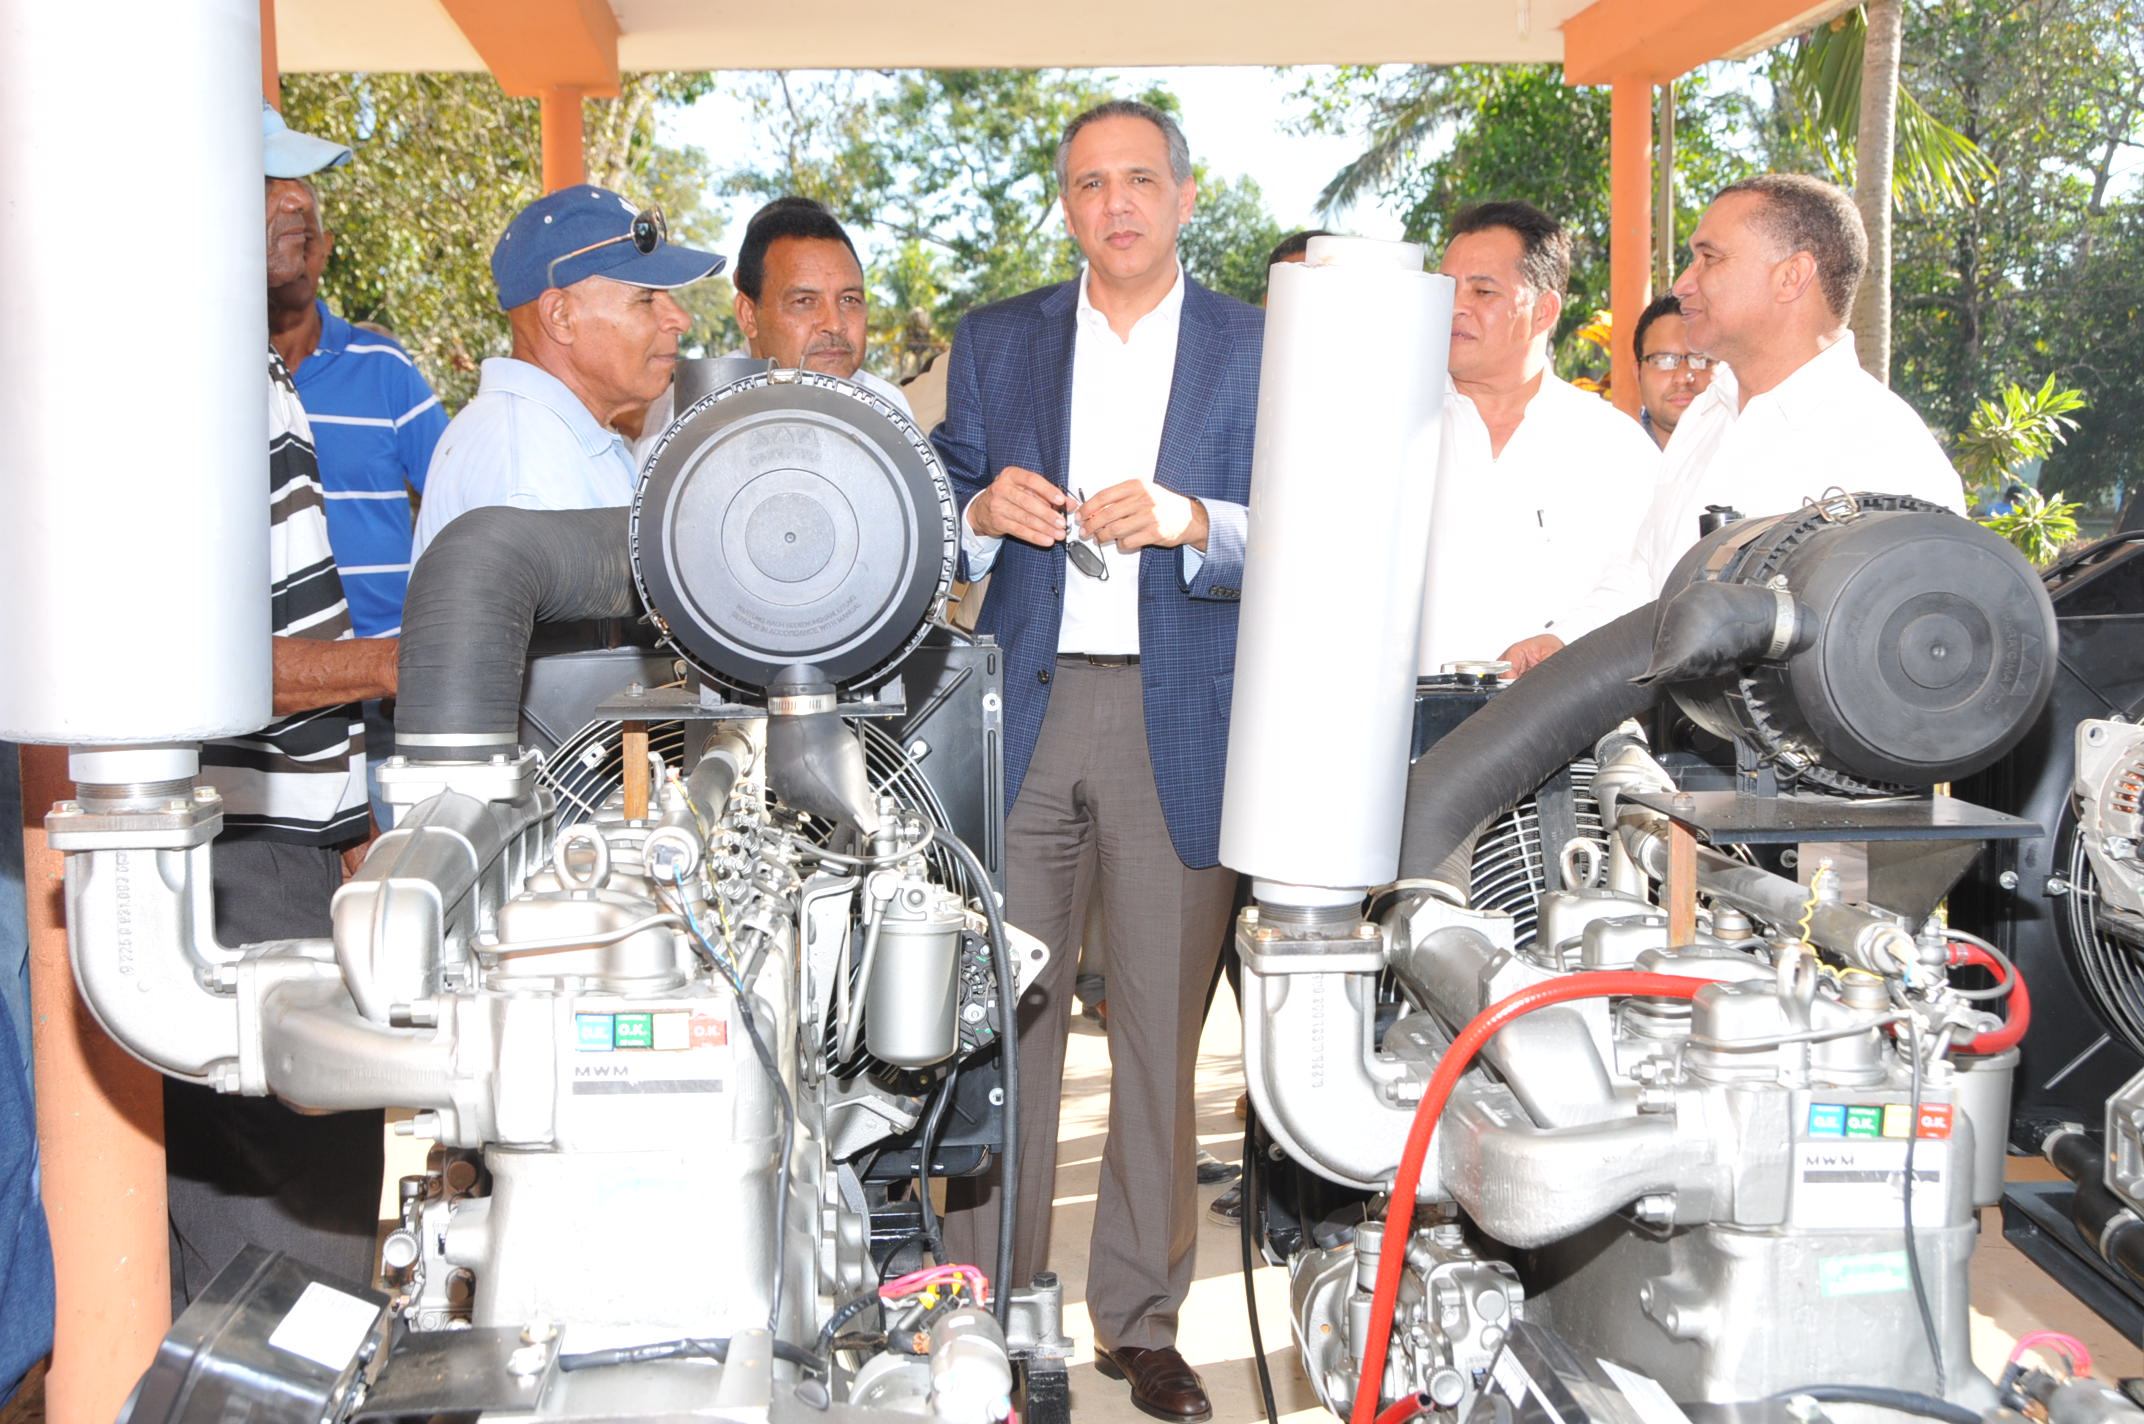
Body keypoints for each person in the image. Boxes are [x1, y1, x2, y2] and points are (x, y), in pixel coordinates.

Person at [933, 99, 1262, 1424]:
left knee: (1157, 1041)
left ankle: (1140, 1322)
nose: (1114, 203)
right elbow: (935, 504)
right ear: (1064, 206)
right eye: (1087, 184)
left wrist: (1194, 519)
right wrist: (977, 509)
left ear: (1185, 195)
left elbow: (1312, 524)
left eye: (1137, 179)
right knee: (998, 1029)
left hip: (1181, 718)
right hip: (1025, 708)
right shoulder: (998, 338)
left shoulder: (1257, 345)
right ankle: (985, 1314)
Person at [165, 103, 402, 1312]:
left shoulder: (250, 365)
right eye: (267, 189)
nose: (298, 211)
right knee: (278, 1257)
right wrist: (392, 666)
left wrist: (346, 818)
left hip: (290, 843)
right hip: (230, 855)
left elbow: (295, 611)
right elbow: (184, 660)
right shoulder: (185, 370)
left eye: (305, 191)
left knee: (323, 1202)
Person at [1541, 174, 1968, 659]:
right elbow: (1647, 577)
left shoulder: (1887, 451)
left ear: (1792, 276)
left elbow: (1909, 656)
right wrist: (1561, 643)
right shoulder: (1706, 416)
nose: (1683, 284)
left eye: (1709, 258)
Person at [1410, 201, 1657, 680]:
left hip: (1558, 715)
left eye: (1483, 291)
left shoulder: (1612, 445)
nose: (1456, 306)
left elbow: (1648, 578)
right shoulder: (1390, 431)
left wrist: (1563, 642)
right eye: (1447, 287)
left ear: (1545, 310)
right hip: (1398, 720)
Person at [268, 185, 450, 823]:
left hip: (382, 690)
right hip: (260, 693)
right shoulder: (214, 370)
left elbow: (455, 503)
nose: (299, 245)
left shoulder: (385, 368)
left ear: (324, 250)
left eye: (309, 235)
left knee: (396, 871)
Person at [412, 185, 723, 555]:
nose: (681, 319)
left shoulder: (553, 436)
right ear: (560, 316)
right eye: (646, 299)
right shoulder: (529, 465)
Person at [632, 198, 908, 460]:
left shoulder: (886, 406)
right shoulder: (689, 408)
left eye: (849, 300)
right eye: (804, 301)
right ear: (748, 315)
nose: (835, 324)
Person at [1631, 293, 1714, 449]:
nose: (1682, 377)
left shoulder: (1752, 454)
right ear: (1638, 373)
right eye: (1665, 361)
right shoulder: (1613, 459)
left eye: (1699, 360)